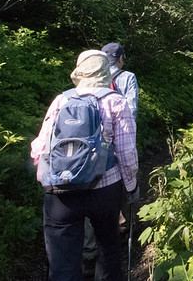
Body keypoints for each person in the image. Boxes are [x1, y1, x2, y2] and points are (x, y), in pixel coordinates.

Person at [31, 50, 139, 281]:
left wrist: (50, 177)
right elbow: (127, 153)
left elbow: (40, 147)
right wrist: (131, 187)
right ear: (104, 70)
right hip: (104, 189)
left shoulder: (61, 100)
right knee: (108, 247)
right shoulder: (116, 102)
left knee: (61, 261)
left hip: (60, 193)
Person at [101, 43, 139, 117]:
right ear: (120, 58)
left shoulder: (94, 76)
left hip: (99, 125)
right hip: (120, 124)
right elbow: (131, 108)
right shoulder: (128, 77)